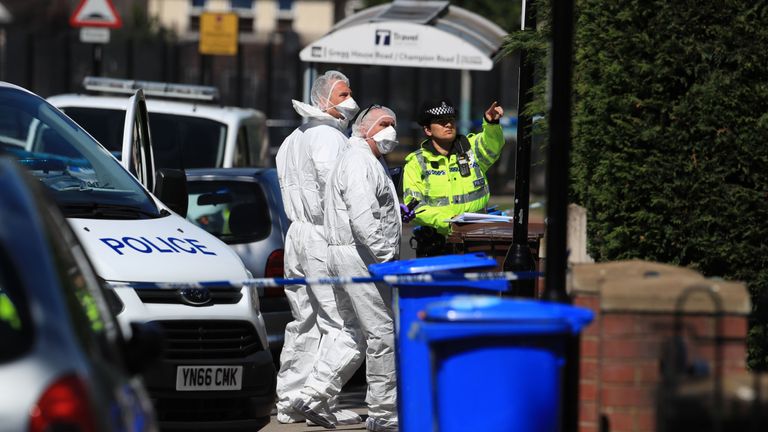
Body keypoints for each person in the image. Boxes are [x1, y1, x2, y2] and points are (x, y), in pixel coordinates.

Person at [274, 70, 365, 427]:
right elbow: (336, 187)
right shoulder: (328, 137)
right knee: (338, 322)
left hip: (296, 236)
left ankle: (290, 401)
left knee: (304, 322)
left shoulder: (294, 137)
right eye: (343, 94)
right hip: (322, 236)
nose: (350, 100)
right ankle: (318, 402)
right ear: (324, 99)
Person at [322, 105, 403, 431]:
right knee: (381, 335)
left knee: (352, 332)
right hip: (363, 258)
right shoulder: (358, 160)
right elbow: (362, 218)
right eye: (385, 123)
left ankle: (314, 393)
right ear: (365, 128)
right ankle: (384, 415)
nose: (391, 130)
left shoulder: (367, 160)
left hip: (354, 255)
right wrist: (385, 258)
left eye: (394, 124)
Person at [402, 98, 505, 256]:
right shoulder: (416, 163)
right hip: (436, 245)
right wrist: (450, 221)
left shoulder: (471, 150)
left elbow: (492, 145)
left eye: (450, 120)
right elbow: (414, 206)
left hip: (478, 240)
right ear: (428, 130)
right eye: (441, 121)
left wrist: (491, 124)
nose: (448, 124)